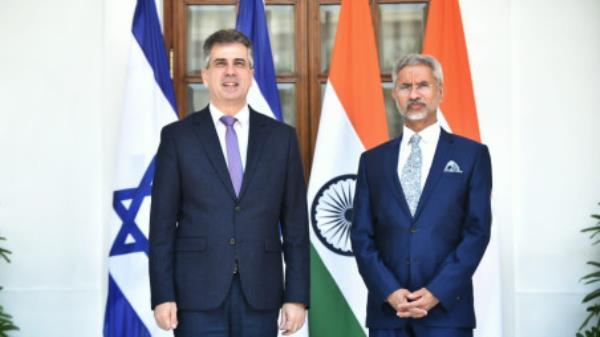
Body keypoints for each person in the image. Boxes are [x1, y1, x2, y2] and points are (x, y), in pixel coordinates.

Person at [149, 29, 309, 337]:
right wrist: (162, 294)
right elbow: (162, 225)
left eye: (239, 63)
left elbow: (296, 227)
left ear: (251, 73)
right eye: (221, 63)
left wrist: (297, 296)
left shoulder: (282, 138)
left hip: (261, 294)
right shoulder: (177, 138)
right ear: (206, 74)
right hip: (195, 296)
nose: (230, 71)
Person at [350, 53, 492, 337]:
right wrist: (389, 290)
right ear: (395, 96)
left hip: (447, 315)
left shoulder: (472, 155)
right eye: (405, 87)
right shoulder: (372, 161)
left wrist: (437, 291)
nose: (414, 94)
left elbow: (477, 232)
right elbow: (361, 235)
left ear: (440, 91)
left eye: (423, 85)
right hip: (388, 315)